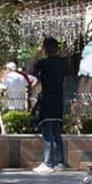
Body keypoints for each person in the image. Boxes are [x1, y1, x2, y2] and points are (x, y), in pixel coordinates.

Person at [30, 37, 71, 173]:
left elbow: (32, 68)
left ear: (46, 49)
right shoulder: (63, 63)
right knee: (56, 132)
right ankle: (60, 162)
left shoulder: (44, 63)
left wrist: (37, 52)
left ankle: (48, 163)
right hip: (58, 99)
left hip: (47, 99)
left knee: (47, 132)